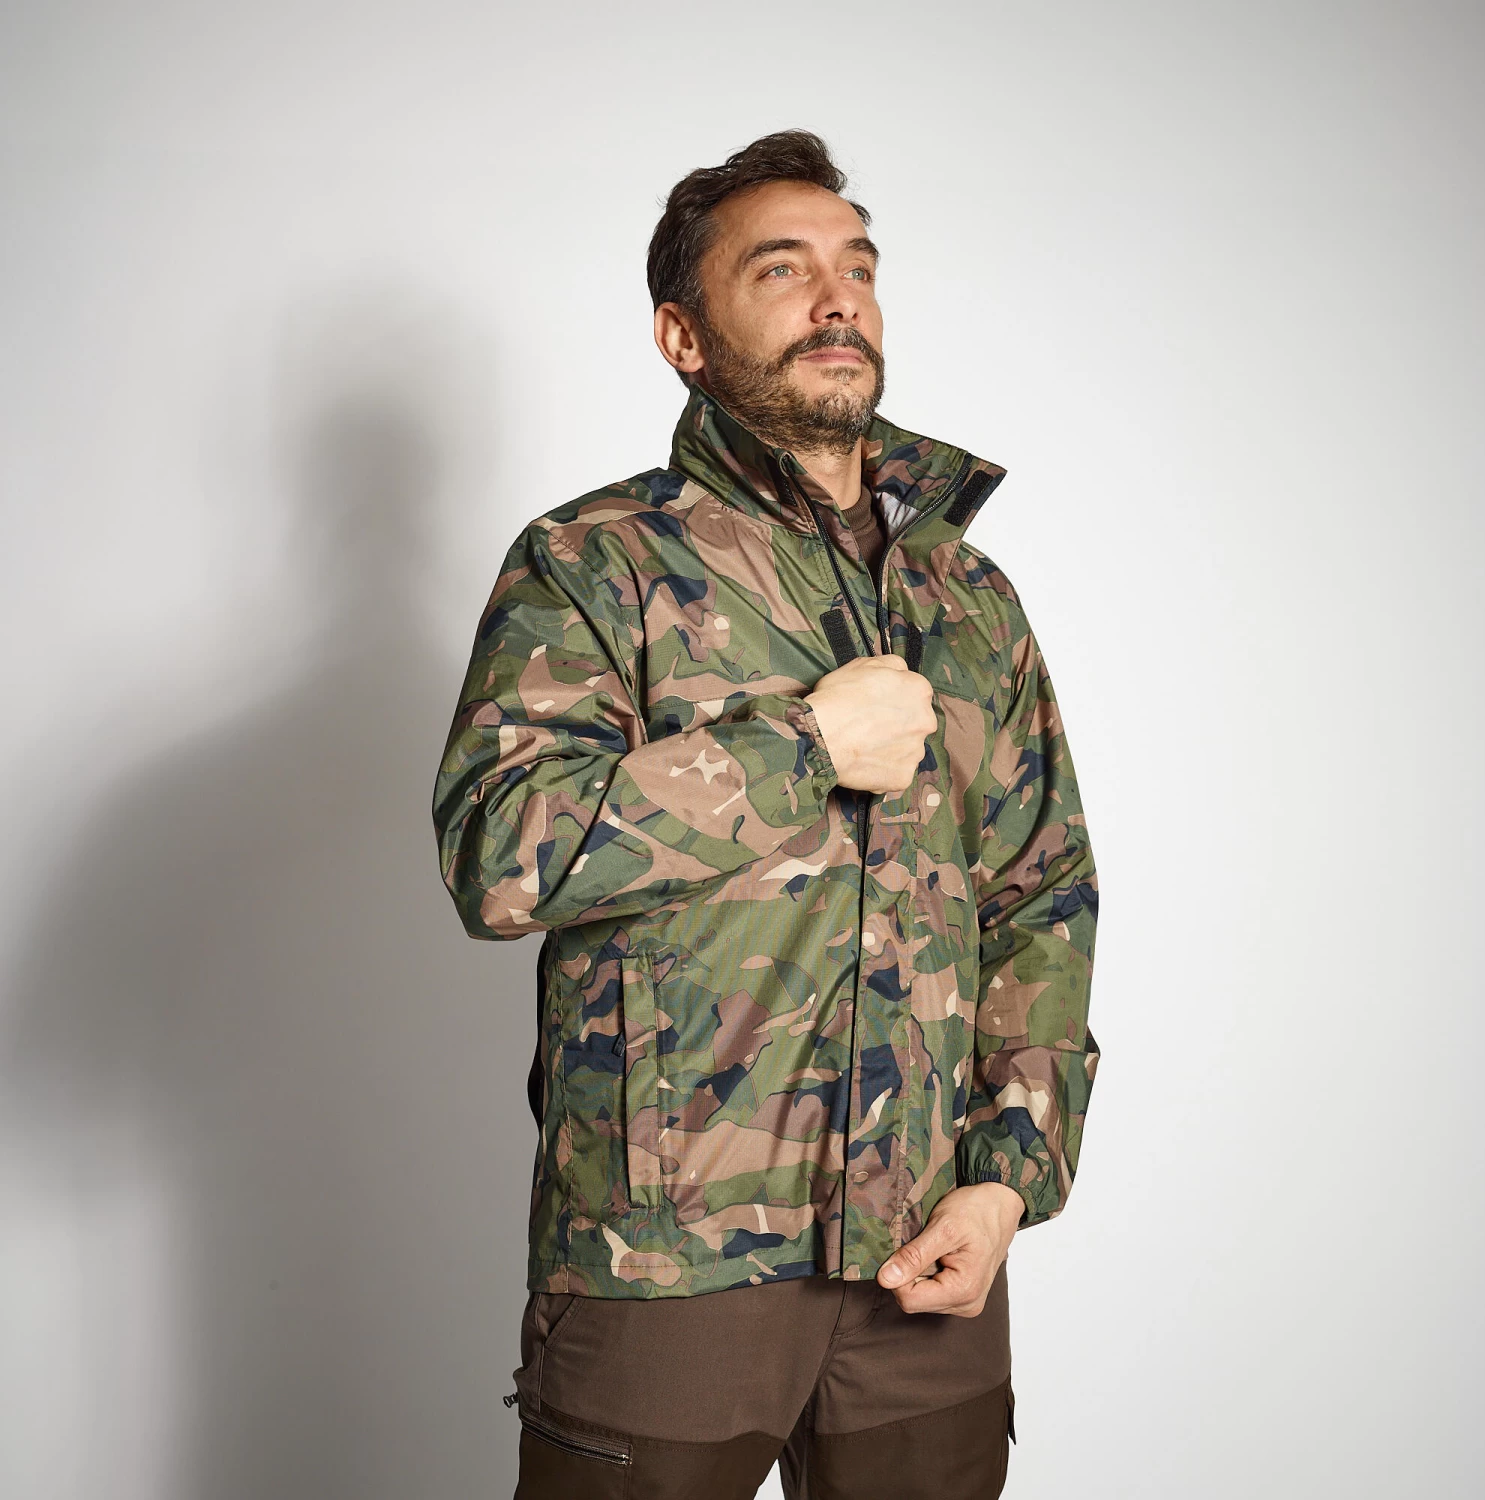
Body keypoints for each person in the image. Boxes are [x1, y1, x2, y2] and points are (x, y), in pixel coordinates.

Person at [431, 129, 1100, 1500]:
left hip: (926, 1261)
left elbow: (1042, 896)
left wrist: (1006, 1177)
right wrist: (802, 748)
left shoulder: (970, 599)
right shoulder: (594, 563)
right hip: (667, 1263)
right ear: (682, 335)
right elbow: (501, 857)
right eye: (781, 270)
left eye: (858, 267)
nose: (837, 298)